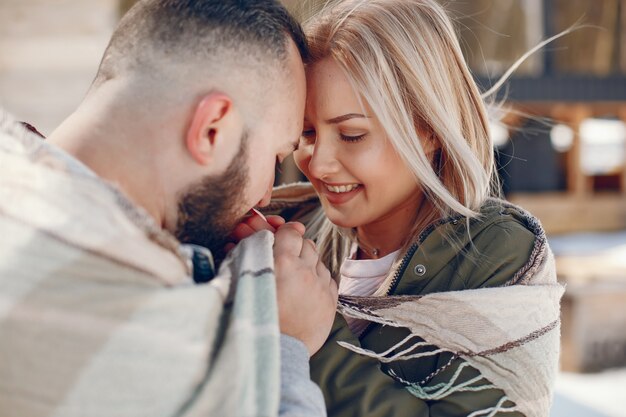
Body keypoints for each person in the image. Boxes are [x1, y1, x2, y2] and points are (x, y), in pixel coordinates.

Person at [0, 1, 337, 416]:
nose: (268, 195)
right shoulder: (142, 325)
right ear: (212, 129)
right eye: (275, 158)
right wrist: (284, 341)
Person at [256, 0, 563, 416]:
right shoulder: (291, 234)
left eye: (351, 134)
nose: (318, 162)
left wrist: (315, 336)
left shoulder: (495, 253)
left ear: (427, 130)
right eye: (307, 132)